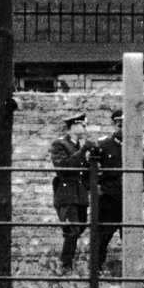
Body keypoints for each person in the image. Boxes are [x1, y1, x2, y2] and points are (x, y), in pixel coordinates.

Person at [49, 112, 91, 271]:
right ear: (73, 126)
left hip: (79, 194)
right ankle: (65, 266)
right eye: (83, 125)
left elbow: (84, 171)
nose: (85, 128)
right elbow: (64, 167)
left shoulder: (78, 146)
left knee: (79, 228)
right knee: (71, 231)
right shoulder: (60, 144)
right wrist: (82, 152)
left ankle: (66, 263)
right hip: (66, 194)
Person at [91, 109, 125, 271]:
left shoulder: (134, 145)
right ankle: (96, 269)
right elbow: (93, 168)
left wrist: (139, 189)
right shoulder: (104, 144)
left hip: (127, 199)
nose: (122, 129)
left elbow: (143, 168)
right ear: (115, 125)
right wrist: (99, 189)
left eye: (125, 125)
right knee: (102, 236)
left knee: (129, 236)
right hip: (109, 199)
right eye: (119, 125)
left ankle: (130, 272)